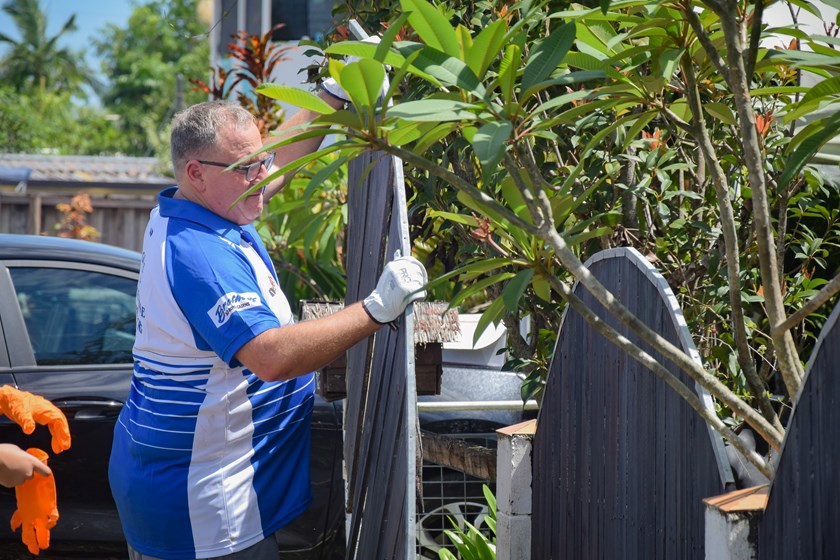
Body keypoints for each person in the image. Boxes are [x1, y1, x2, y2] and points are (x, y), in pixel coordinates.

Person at [107, 82, 428, 559]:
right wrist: (375, 309)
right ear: (196, 173)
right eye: (246, 168)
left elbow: (275, 163)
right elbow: (271, 357)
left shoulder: (202, 209)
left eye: (261, 160)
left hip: (189, 488)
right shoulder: (201, 256)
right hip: (204, 515)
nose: (262, 176)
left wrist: (333, 97)